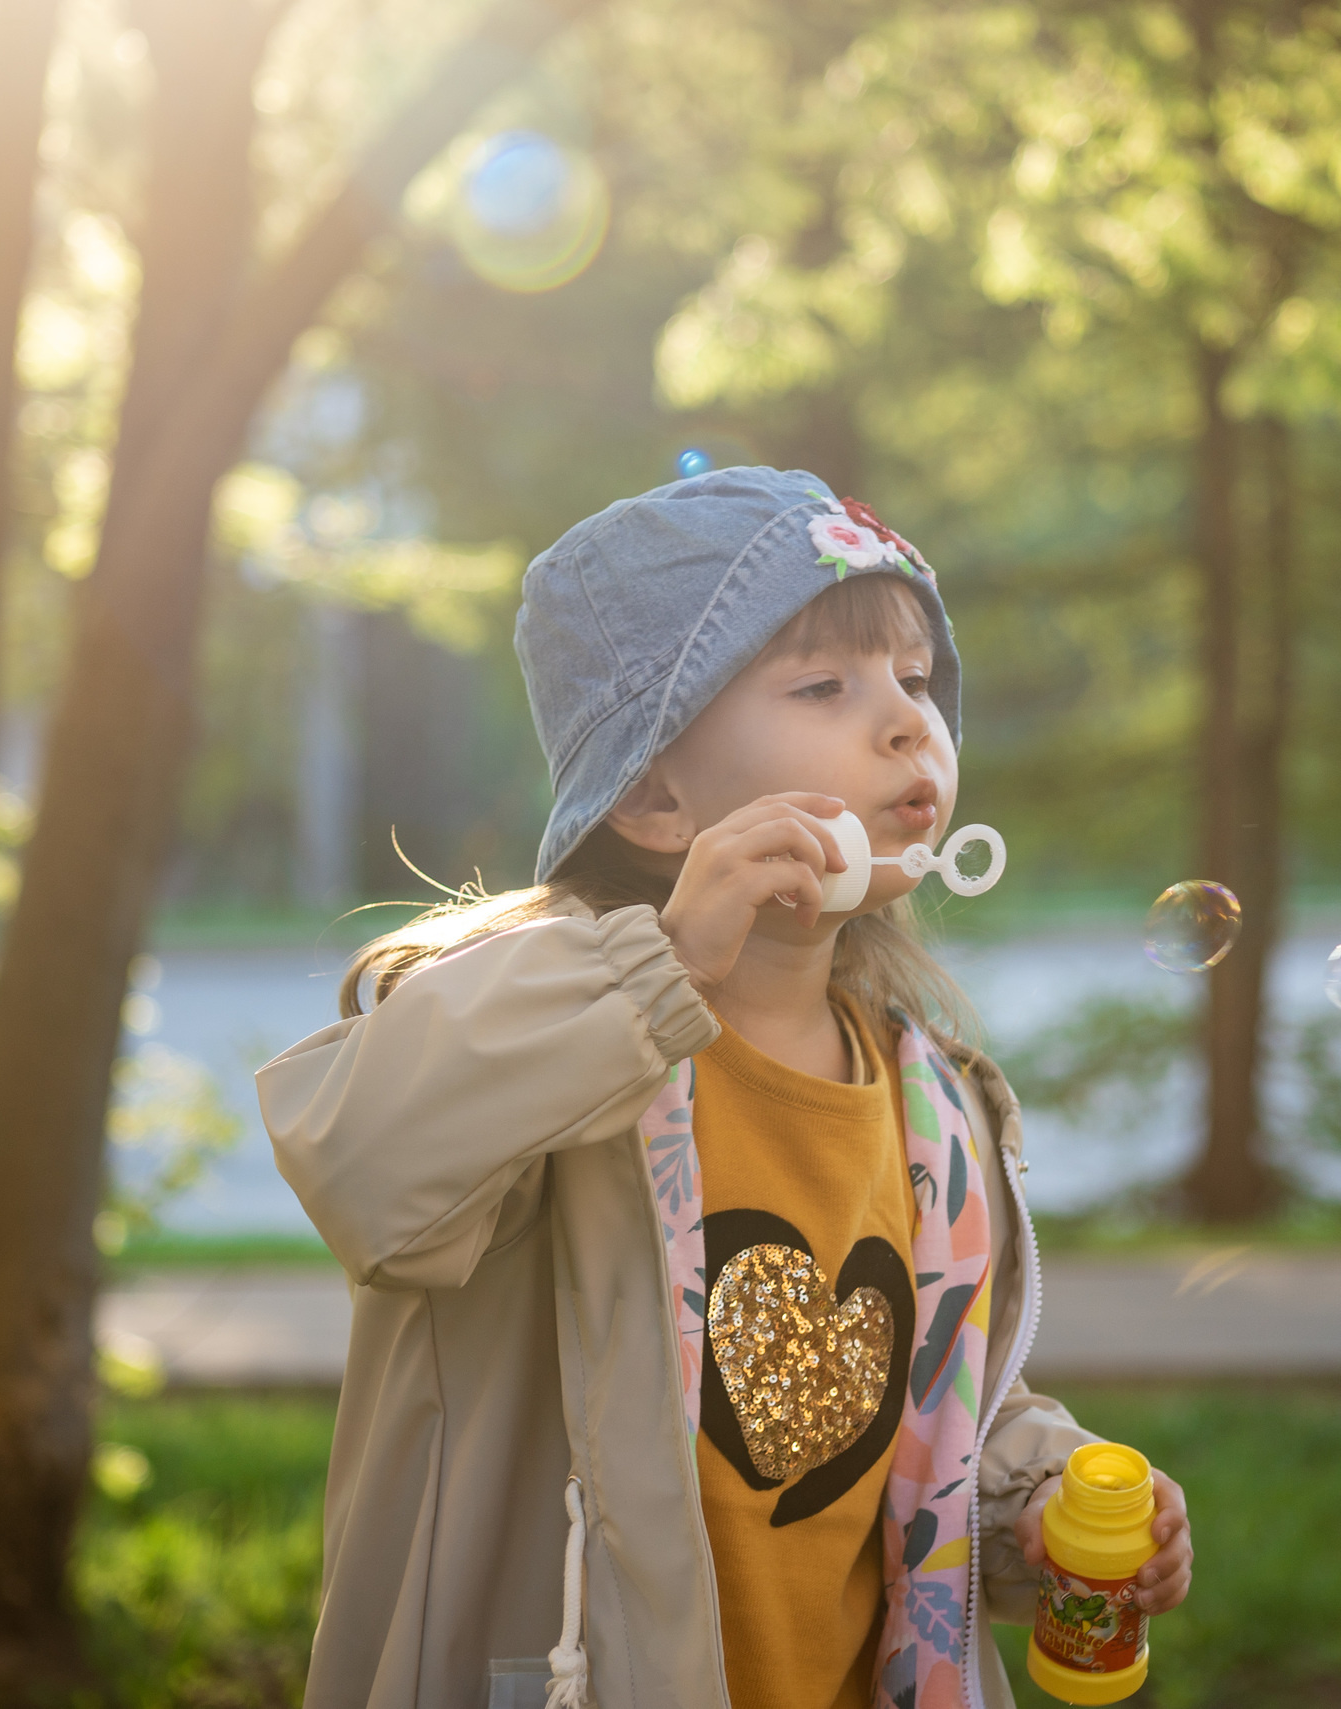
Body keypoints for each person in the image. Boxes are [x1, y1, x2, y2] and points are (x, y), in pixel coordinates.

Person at [257, 467, 1194, 1709]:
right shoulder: (562, 1034)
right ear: (654, 795)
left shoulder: (928, 1096)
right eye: (825, 685)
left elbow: (927, 1400)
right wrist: (662, 971)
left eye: (916, 679)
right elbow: (365, 1168)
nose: (909, 722)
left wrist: (1040, 1494)